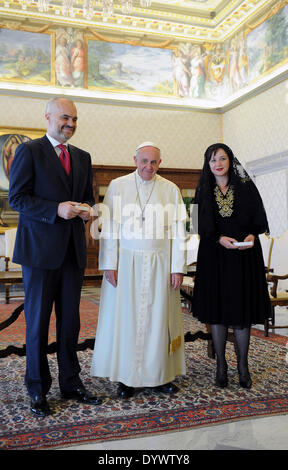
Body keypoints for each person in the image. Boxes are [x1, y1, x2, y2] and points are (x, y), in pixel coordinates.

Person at [9, 97, 102, 417]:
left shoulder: (83, 157)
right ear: (47, 117)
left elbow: (88, 198)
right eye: (65, 118)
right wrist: (55, 209)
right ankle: (37, 388)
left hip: (72, 252)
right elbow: (17, 198)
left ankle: (71, 383)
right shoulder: (29, 151)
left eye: (75, 120)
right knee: (37, 324)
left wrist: (88, 210)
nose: (71, 125)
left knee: (70, 324)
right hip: (38, 253)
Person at [90, 142, 187, 398]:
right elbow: (109, 228)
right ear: (135, 159)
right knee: (127, 321)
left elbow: (179, 232)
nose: (149, 167)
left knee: (159, 321)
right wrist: (109, 264)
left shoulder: (171, 189)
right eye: (144, 161)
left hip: (161, 264)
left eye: (154, 162)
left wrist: (178, 267)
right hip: (126, 264)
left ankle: (161, 376)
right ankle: (126, 378)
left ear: (160, 163)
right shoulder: (118, 186)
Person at [192, 143, 271, 389]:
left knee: (241, 311)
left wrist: (251, 235)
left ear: (230, 160)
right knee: (217, 310)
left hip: (244, 257)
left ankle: (243, 367)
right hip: (214, 257)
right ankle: (221, 366)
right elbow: (196, 224)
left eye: (222, 158)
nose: (218, 164)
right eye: (212, 159)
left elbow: (260, 218)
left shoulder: (246, 187)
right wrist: (217, 238)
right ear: (208, 164)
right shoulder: (202, 189)